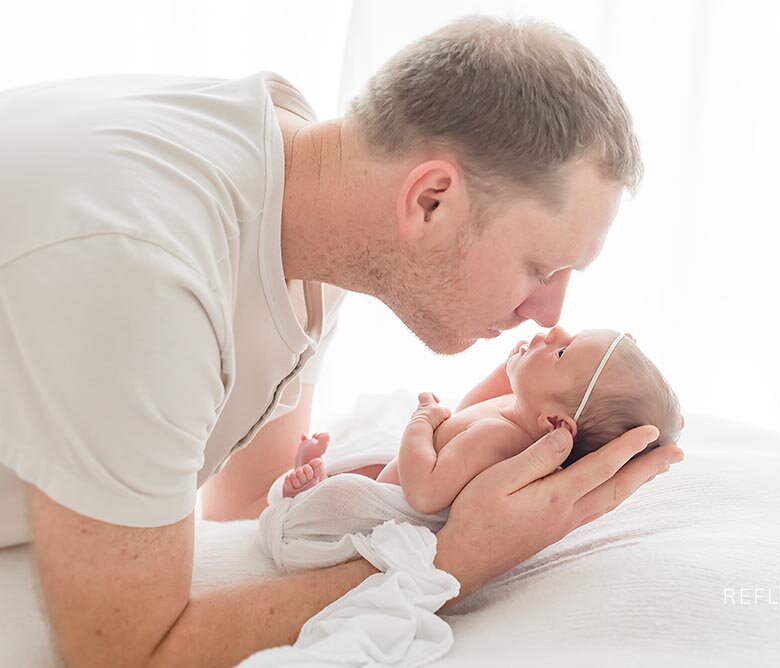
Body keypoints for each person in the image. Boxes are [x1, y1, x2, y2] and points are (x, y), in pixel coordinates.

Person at [0, 15, 683, 667]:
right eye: (542, 268)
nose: (548, 312)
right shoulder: (147, 272)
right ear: (430, 201)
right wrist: (454, 564)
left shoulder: (307, 191)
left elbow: (249, 504)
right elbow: (126, 654)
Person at [282, 326, 685, 518]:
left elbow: (423, 491)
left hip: (380, 503)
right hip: (390, 472)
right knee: (362, 457)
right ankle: (317, 473)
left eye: (562, 353)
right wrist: (510, 370)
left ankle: (306, 494)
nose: (555, 332)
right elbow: (469, 412)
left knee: (347, 490)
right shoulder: (522, 415)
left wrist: (421, 422)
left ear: (554, 422)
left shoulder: (498, 441)